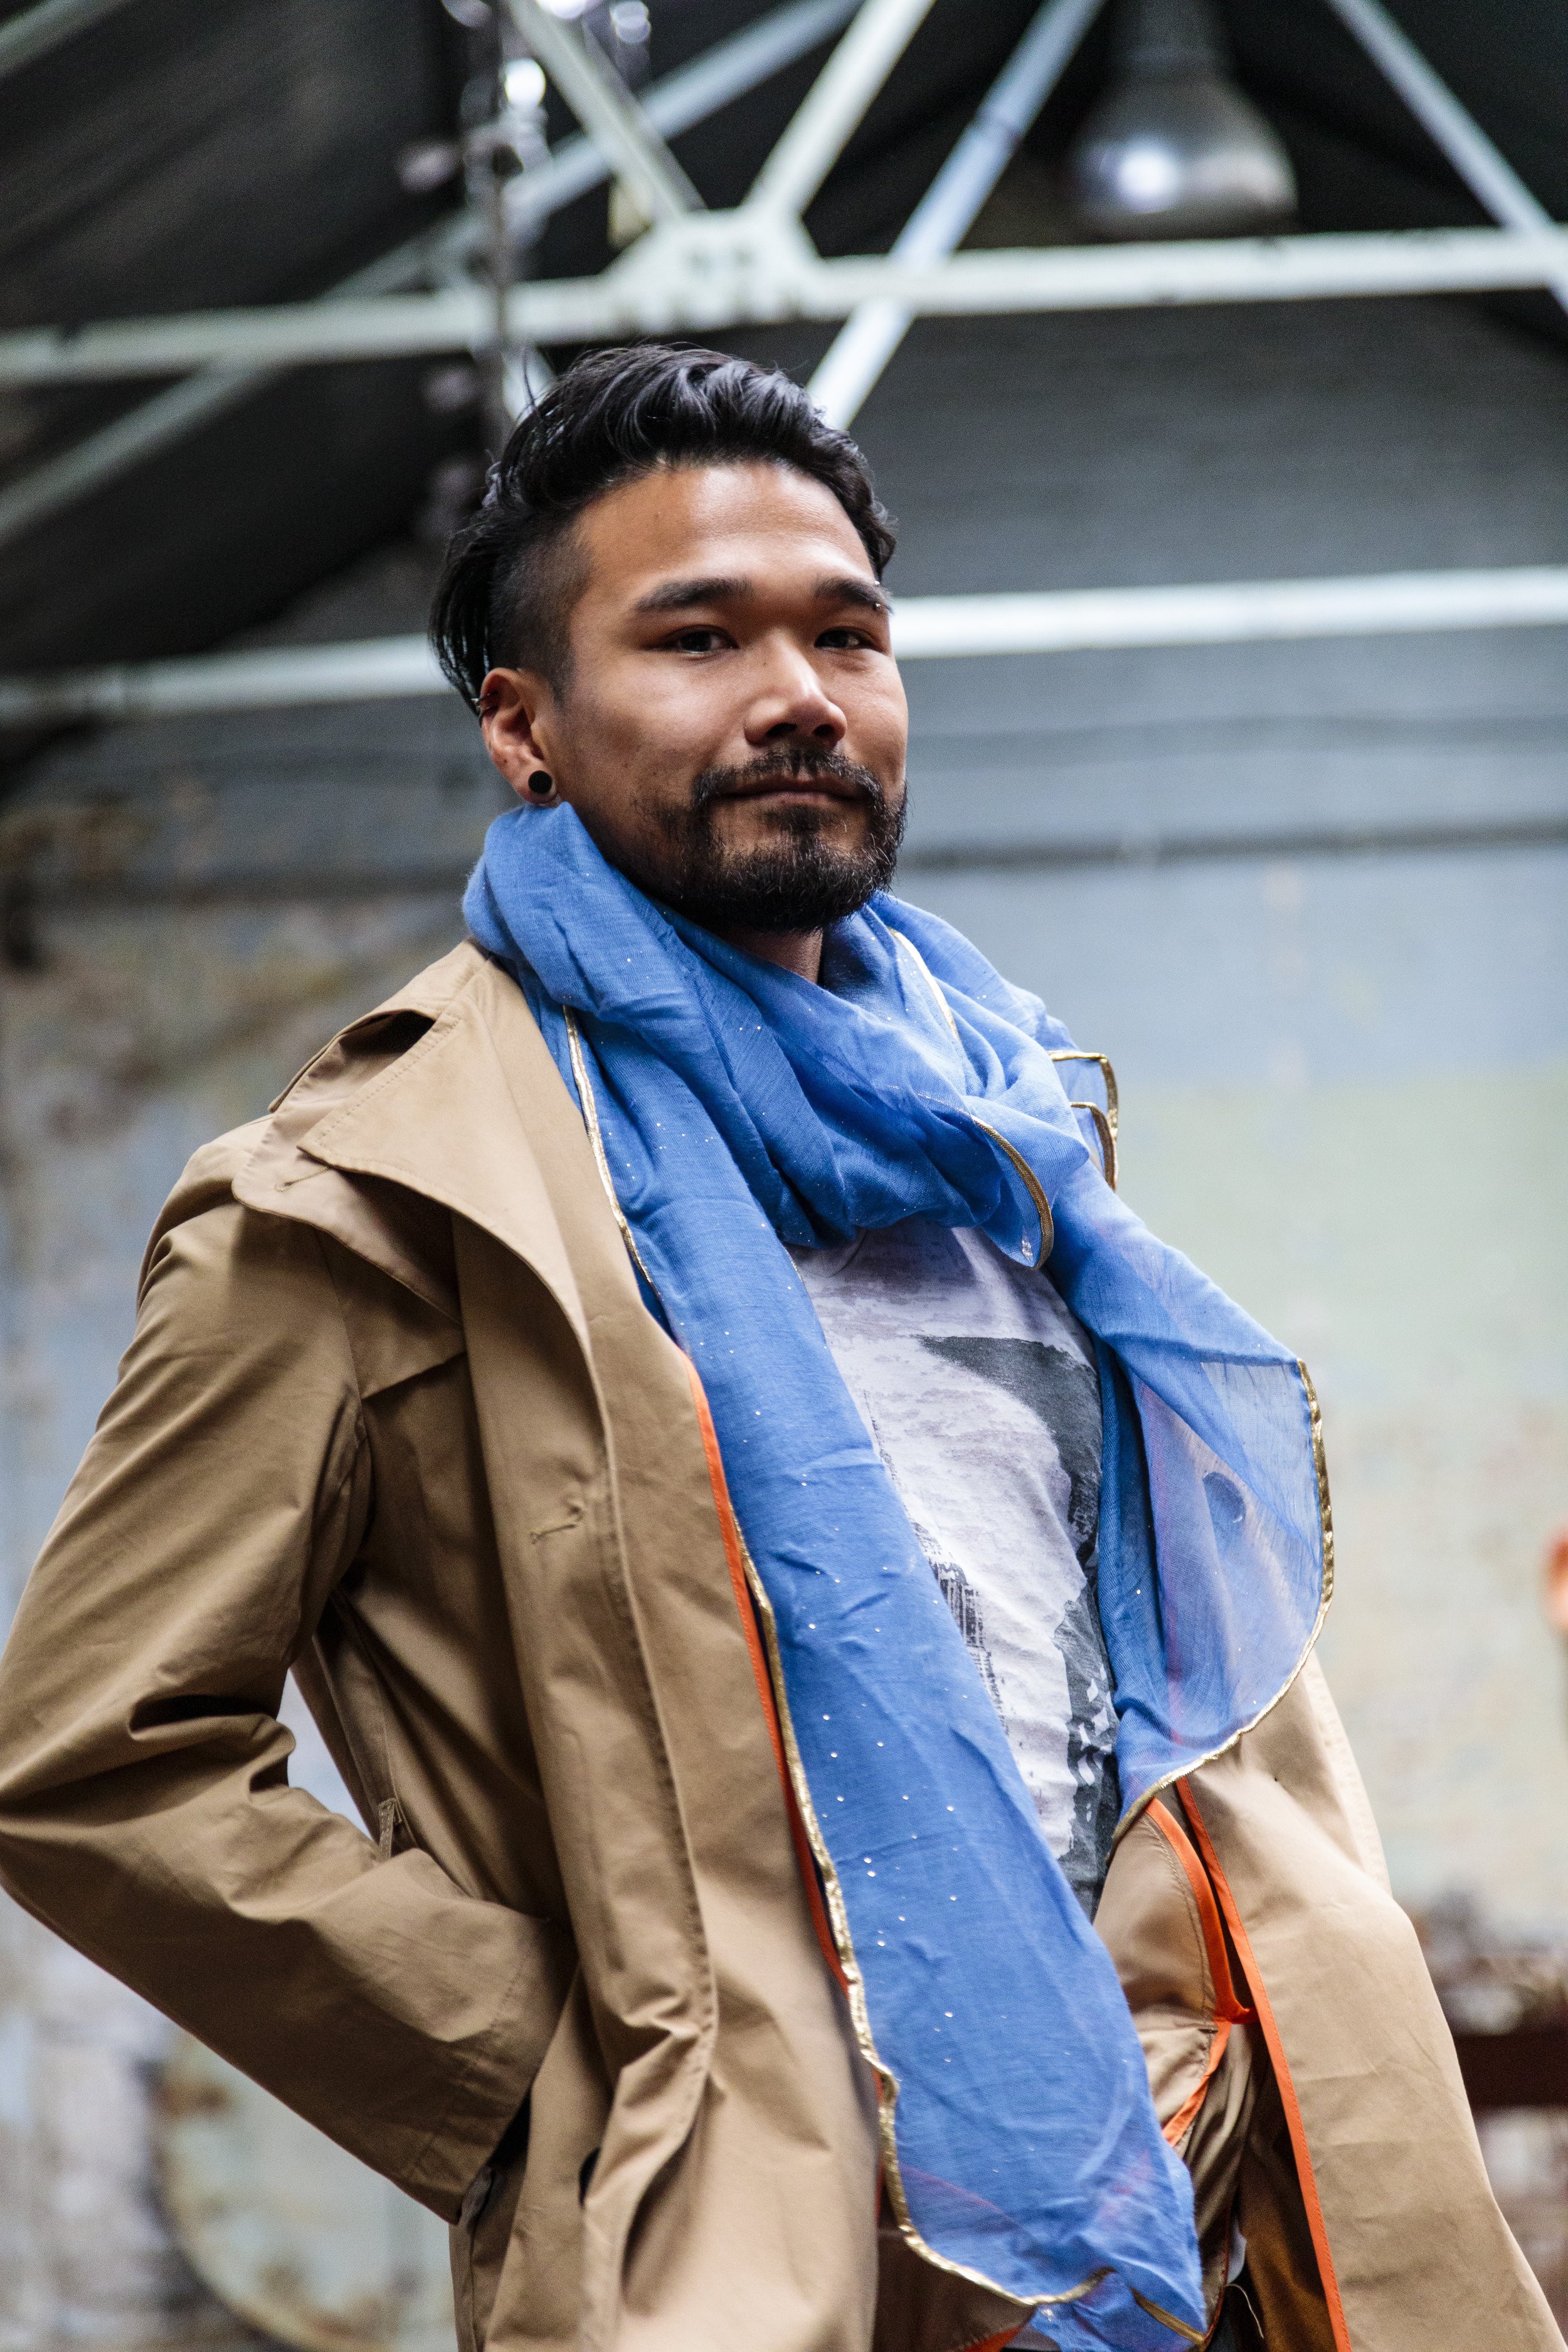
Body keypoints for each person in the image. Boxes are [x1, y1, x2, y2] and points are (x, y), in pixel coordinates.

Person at [0, 345, 1554, 2352]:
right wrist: (544, 2073)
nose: (798, 693)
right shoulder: (361, 1204)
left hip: (1206, 2194)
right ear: (523, 728)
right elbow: (89, 1762)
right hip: (766, 2244)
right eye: (697, 636)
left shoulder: (1011, 1142)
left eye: (846, 634)